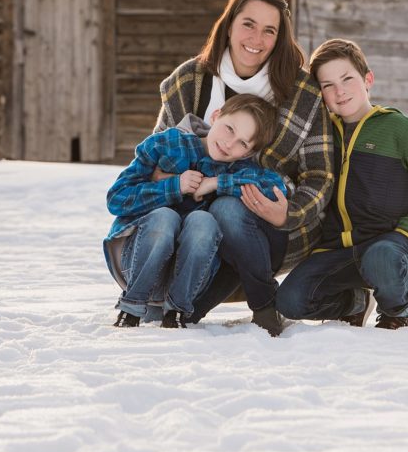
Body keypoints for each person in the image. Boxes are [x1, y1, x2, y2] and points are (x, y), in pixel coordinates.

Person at [154, 0, 334, 337]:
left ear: (280, 38)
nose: (257, 38)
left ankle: (265, 307)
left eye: (270, 30)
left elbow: (320, 175)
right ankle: (180, 304)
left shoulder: (302, 94)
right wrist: (166, 180)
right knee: (168, 309)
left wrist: (289, 212)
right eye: (248, 24)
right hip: (192, 223)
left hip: (267, 225)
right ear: (229, 24)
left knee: (229, 209)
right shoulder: (189, 81)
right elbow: (154, 157)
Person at [275, 38, 408, 329]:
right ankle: (355, 302)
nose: (339, 91)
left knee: (381, 257)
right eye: (328, 85)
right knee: (290, 301)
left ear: (368, 79)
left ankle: (396, 311)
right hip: (335, 248)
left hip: (391, 245)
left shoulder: (397, 128)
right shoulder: (321, 133)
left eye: (347, 79)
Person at [104, 94, 287, 329]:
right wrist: (174, 186)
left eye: (243, 143)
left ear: (247, 153)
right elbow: (116, 199)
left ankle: (176, 312)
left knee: (204, 221)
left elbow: (274, 186)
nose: (229, 144)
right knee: (165, 217)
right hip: (137, 261)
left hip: (191, 278)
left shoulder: (236, 167)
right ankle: (130, 308)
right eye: (229, 129)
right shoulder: (167, 144)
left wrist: (216, 182)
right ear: (216, 116)